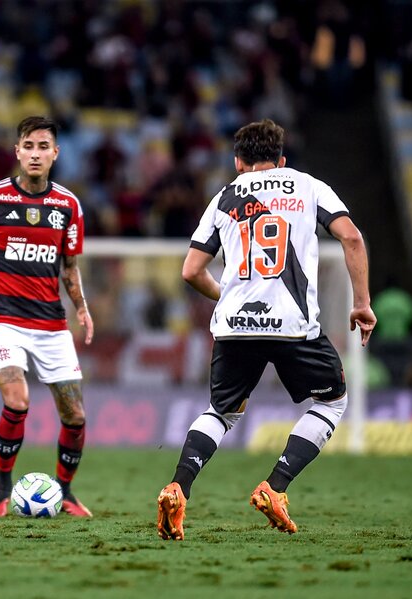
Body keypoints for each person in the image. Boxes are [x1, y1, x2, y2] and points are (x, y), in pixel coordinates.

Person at [156, 119, 376, 540]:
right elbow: (351, 238)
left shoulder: (225, 195)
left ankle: (177, 488)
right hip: (294, 326)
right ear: (282, 159)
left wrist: (228, 296)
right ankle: (274, 487)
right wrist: (361, 303)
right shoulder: (308, 186)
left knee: (220, 412)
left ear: (238, 161)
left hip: (236, 324)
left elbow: (190, 271)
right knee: (331, 402)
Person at [0, 116, 95, 518]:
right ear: (17, 151)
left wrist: (81, 306)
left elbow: (69, 265)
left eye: (43, 147)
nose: (35, 154)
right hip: (4, 321)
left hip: (51, 325)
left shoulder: (68, 205)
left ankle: (64, 492)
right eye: (28, 146)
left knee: (76, 415)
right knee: (18, 400)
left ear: (55, 153)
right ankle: (1, 490)